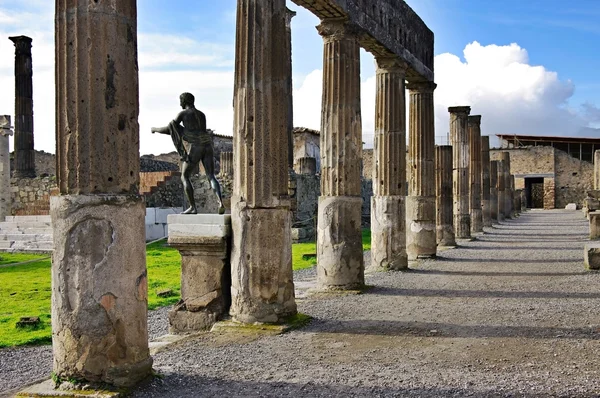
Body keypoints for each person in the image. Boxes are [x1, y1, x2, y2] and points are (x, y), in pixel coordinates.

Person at [151, 92, 225, 214]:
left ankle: (192, 207)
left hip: (196, 146)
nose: (179, 103)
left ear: (184, 101)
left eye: (180, 100)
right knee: (211, 176)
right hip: (208, 145)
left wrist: (155, 129)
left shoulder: (183, 114)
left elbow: (171, 129)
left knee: (184, 176)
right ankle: (220, 201)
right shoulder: (202, 115)